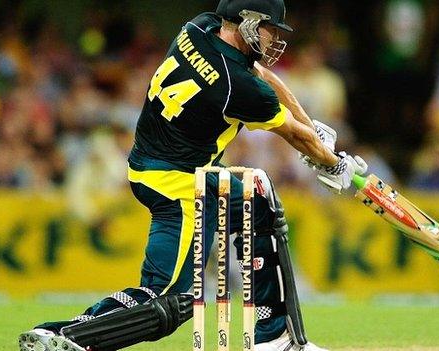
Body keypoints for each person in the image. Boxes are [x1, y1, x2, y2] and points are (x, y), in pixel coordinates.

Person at [18, 1, 367, 350]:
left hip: (163, 167)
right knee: (166, 302)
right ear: (248, 22)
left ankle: (274, 337)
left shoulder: (199, 28)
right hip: (179, 184)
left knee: (258, 197)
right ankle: (65, 335)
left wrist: (314, 133)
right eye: (270, 29)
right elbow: (293, 134)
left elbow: (263, 77)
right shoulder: (236, 86)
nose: (274, 38)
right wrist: (334, 163)